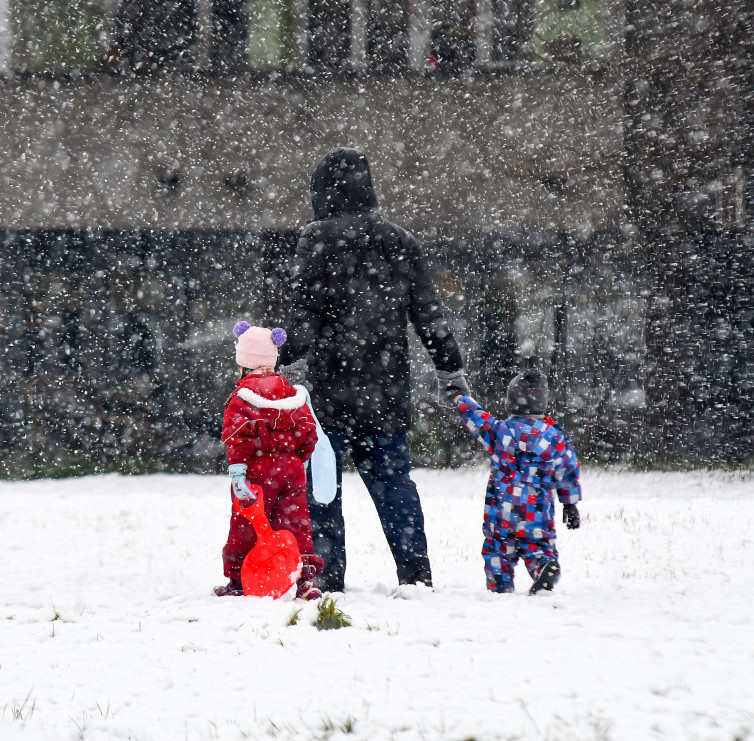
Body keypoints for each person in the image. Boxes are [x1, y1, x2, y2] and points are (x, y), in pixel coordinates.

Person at [279, 147, 469, 592]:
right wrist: (451, 371)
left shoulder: (317, 239)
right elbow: (429, 315)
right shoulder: (400, 240)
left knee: (323, 486)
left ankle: (327, 574)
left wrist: (275, 351)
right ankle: (415, 572)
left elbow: (305, 321)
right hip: (386, 390)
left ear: (324, 192)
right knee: (394, 482)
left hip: (331, 391)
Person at [216, 321, 324, 600]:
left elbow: (237, 436)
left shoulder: (242, 397)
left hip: (257, 469)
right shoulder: (291, 392)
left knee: (247, 524)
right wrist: (296, 459)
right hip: (291, 469)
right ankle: (305, 579)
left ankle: (239, 579)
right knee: (296, 522)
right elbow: (309, 432)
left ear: (244, 362)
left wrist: (238, 473)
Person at [451, 368, 582, 594]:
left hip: (501, 511)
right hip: (537, 512)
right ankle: (543, 566)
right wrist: (569, 503)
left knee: (497, 549)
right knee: (538, 546)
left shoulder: (500, 431)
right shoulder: (554, 437)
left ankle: (499, 585)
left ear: (512, 400)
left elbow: (476, 417)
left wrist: (460, 398)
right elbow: (568, 469)